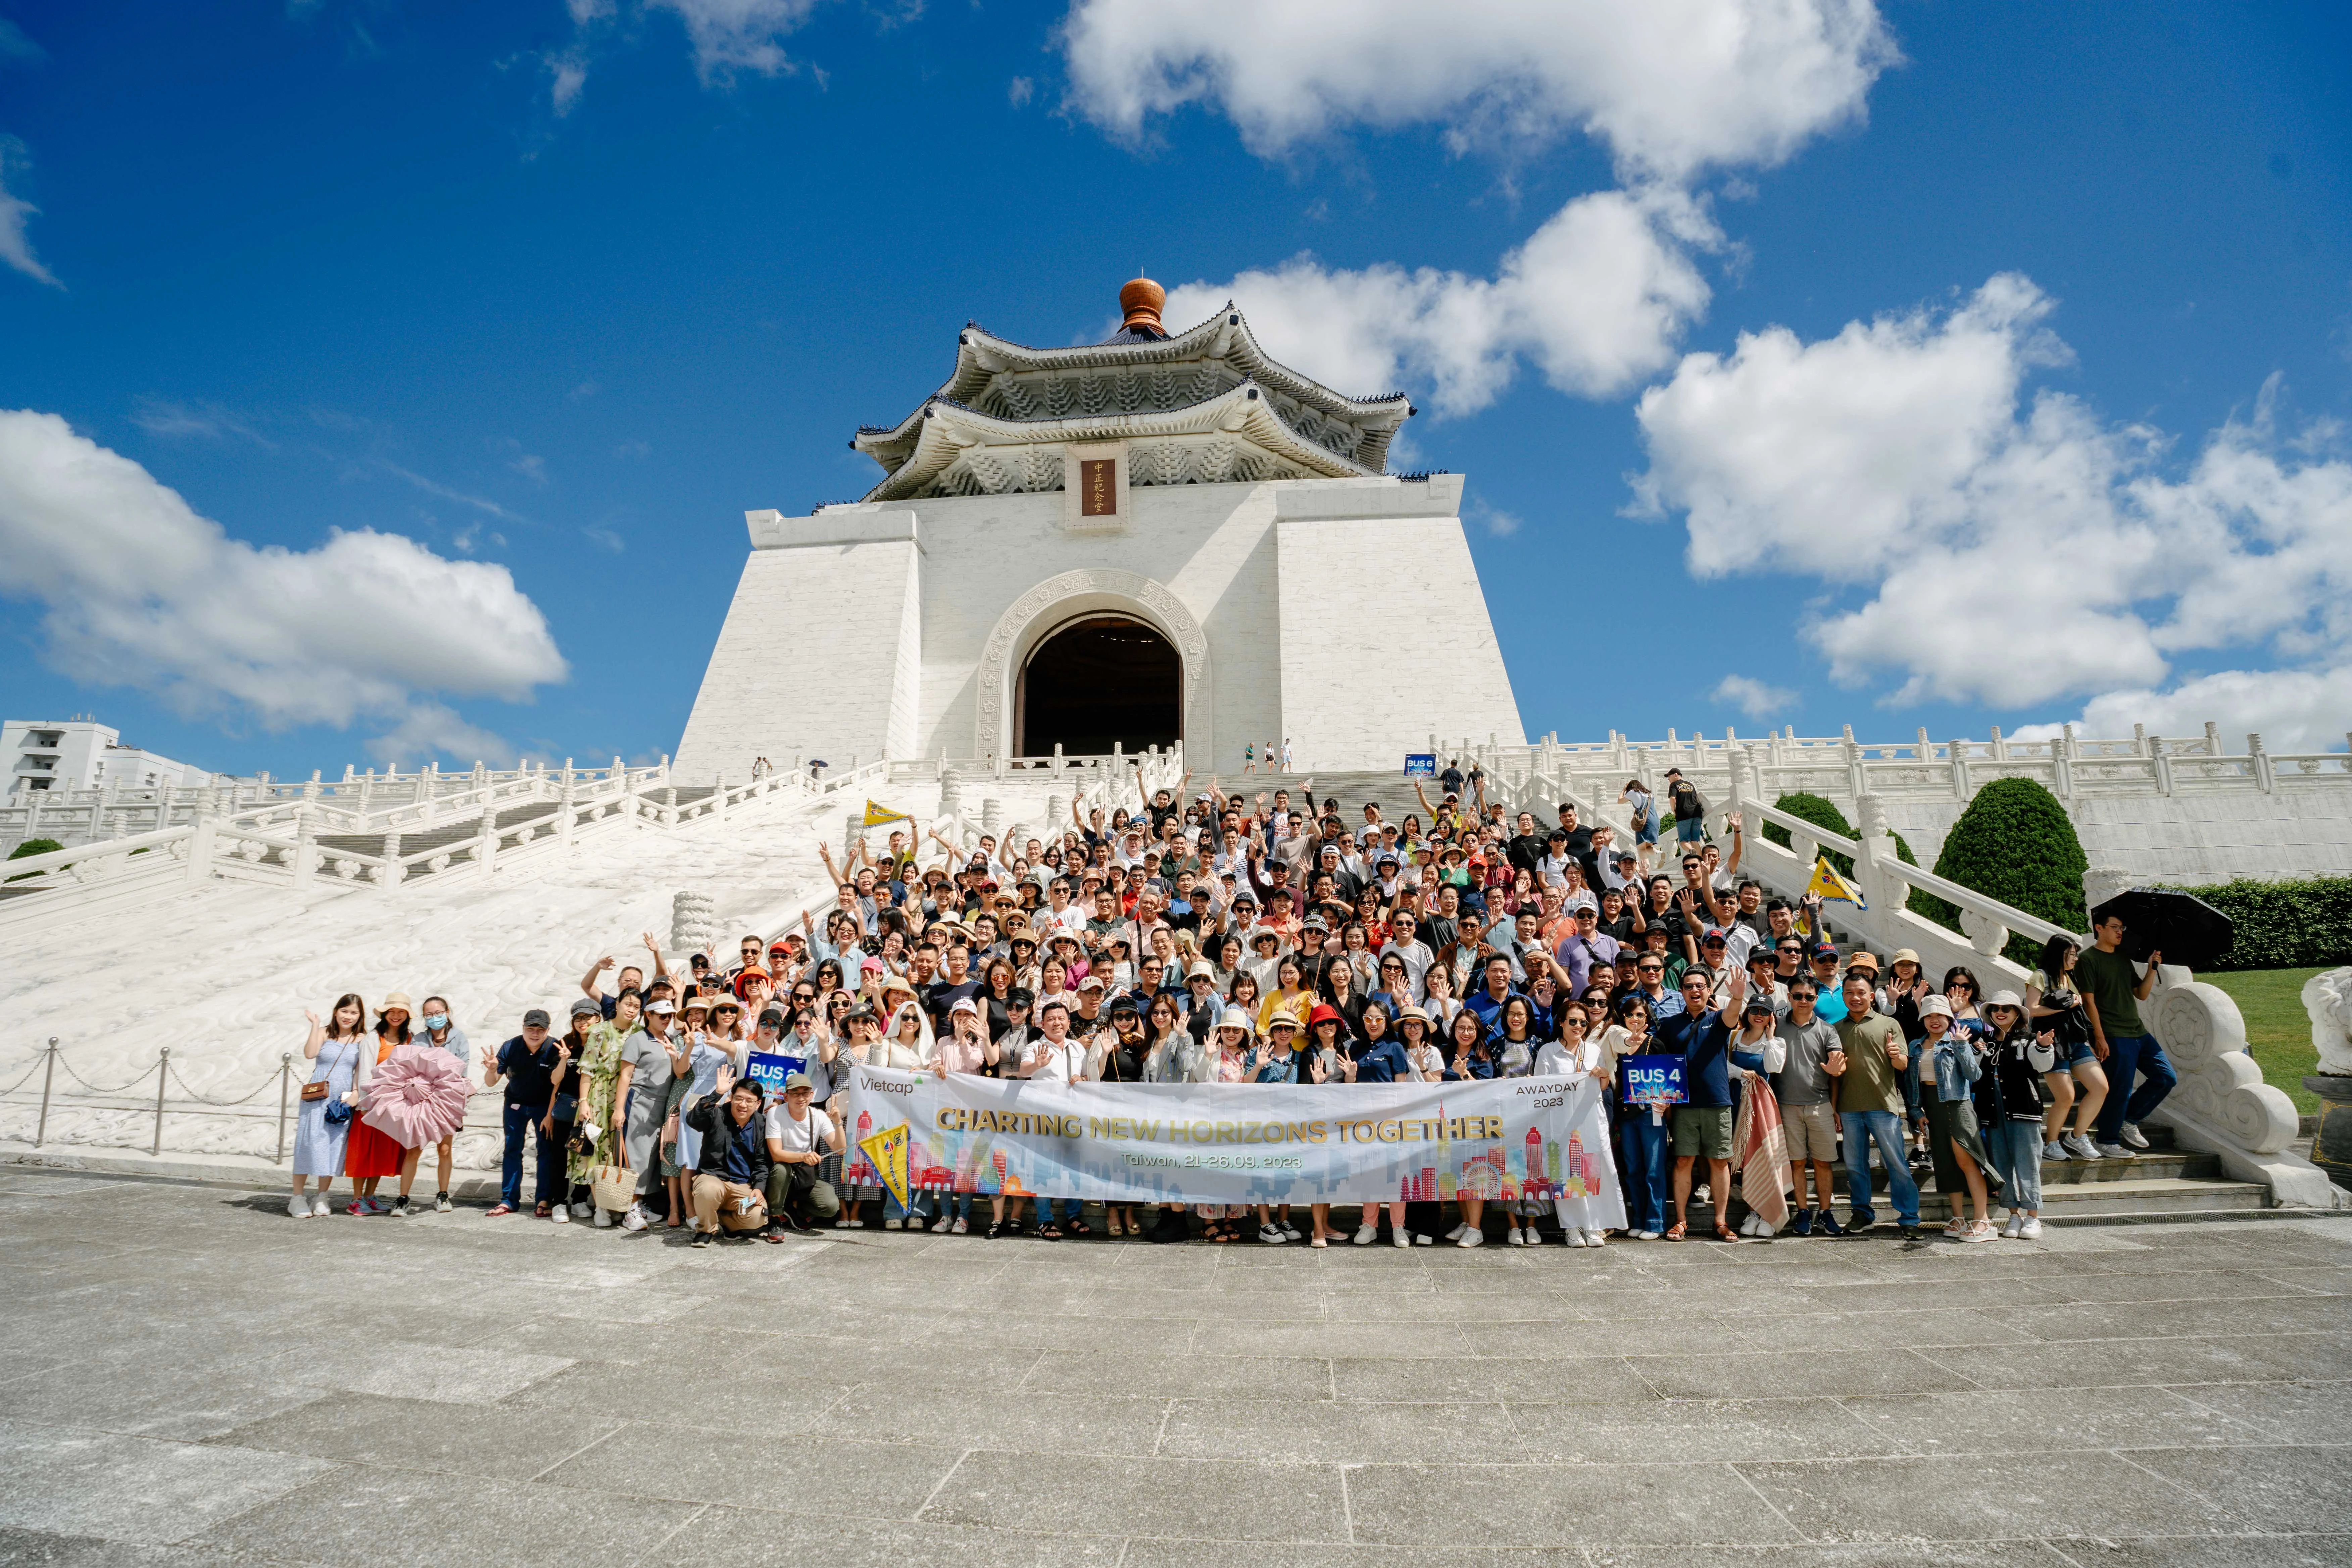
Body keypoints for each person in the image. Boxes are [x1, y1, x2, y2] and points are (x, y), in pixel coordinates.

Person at [1830, 968, 1921, 1240]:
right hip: (1849, 1108)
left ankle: (1909, 1218)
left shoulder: (1889, 1025)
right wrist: (1834, 1108)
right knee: (1856, 1166)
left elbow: (1903, 1065)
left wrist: (1895, 1055)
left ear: (1872, 996)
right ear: (1843, 996)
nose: (1855, 998)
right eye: (1849, 993)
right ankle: (1862, 1215)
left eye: (1861, 993)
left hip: (1883, 1107)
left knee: (1897, 1164)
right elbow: (1835, 1076)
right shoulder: (1836, 1029)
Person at [2077, 911, 2174, 1157]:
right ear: (2099, 928)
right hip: (2113, 1034)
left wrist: (2152, 969)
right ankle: (2106, 1140)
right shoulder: (2087, 959)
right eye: (2115, 927)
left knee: (2166, 1077)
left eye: (2122, 928)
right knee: (2120, 1088)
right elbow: (2089, 1002)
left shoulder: (2123, 957)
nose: (2120, 932)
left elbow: (2141, 994)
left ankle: (2129, 1119)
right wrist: (2099, 1037)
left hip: (2138, 1032)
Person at [1918, 994, 1999, 1242]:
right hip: (1932, 1108)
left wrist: (1963, 1045)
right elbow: (1914, 1083)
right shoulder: (1915, 1046)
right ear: (1923, 1019)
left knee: (1967, 1161)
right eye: (1929, 1015)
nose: (1935, 1020)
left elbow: (1974, 1075)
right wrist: (1915, 1111)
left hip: (1958, 1106)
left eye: (1940, 1015)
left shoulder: (1958, 1041)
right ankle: (1957, 1218)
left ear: (1949, 1018)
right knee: (1945, 1164)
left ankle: (1983, 1219)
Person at [1772, 977, 1844, 1238]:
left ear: (1816, 999)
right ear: (1789, 997)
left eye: (1809, 997)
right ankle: (1802, 1212)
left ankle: (1825, 1213)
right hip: (1787, 1107)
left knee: (1824, 1164)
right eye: (1798, 996)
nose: (1804, 1001)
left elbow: (1838, 1063)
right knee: (1797, 1163)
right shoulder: (1775, 1026)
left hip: (1820, 1106)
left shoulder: (1827, 1030)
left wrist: (1838, 1068)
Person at [2029, 934, 2109, 1161]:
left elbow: (2077, 1009)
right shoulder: (2040, 976)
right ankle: (2051, 1143)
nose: (2075, 958)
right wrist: (2063, 1007)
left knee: (2100, 1087)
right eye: (2071, 954)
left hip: (2076, 1039)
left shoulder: (2070, 977)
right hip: (2052, 1041)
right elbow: (2031, 1010)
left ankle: (2078, 1136)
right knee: (2066, 1096)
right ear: (2059, 954)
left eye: (2075, 954)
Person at [290, 994, 371, 1218]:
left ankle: (322, 1196)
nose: (348, 1017)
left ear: (360, 1016)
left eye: (354, 1013)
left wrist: (356, 1093)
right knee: (309, 1142)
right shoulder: (325, 1032)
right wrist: (315, 1025)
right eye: (345, 1011)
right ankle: (297, 1198)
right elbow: (310, 1054)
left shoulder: (362, 1038)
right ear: (336, 1012)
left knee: (333, 1145)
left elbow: (359, 1070)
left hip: (341, 1098)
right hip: (318, 1096)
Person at [483, 1008, 566, 1219]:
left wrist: (549, 1115)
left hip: (544, 1106)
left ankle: (543, 1200)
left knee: (546, 1151)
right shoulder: (511, 1047)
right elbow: (492, 1082)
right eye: (531, 1028)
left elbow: (557, 1084)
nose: (535, 1033)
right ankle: (508, 1200)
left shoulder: (555, 1048)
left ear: (548, 1030)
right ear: (523, 1028)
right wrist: (492, 1069)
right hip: (515, 1104)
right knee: (512, 1149)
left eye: (541, 1029)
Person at [1983, 991, 2052, 1239]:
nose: (2000, 1012)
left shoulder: (2030, 1040)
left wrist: (2044, 1047)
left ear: (2017, 1013)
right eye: (1995, 1008)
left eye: (2007, 1008)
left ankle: (2033, 1217)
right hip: (1992, 1111)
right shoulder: (1985, 1040)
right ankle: (2013, 1215)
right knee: (2002, 1164)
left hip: (2024, 1110)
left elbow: (2043, 1065)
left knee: (2027, 1163)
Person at [393, 995, 470, 1215]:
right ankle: (403, 1197)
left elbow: (462, 1068)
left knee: (445, 1149)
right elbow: (409, 1067)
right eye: (429, 1015)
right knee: (413, 1149)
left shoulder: (459, 1037)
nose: (434, 1018)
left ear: (447, 1013)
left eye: (438, 1013)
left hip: (447, 1101)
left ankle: (443, 1194)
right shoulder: (418, 1039)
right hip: (420, 1100)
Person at [682, 1064, 771, 1247]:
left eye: (749, 1100)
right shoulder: (717, 1113)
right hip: (714, 1177)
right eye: (738, 1098)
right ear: (732, 1097)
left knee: (758, 1217)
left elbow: (762, 1162)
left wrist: (759, 1188)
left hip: (742, 1184)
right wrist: (717, 1093)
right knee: (708, 1190)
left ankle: (728, 1223)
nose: (743, 1105)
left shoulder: (761, 1123)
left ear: (758, 1104)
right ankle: (705, 1230)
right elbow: (693, 1120)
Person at [612, 996, 681, 1232]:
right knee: (635, 1156)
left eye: (670, 1016)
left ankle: (639, 1205)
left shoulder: (669, 1040)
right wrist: (619, 1109)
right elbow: (625, 1076)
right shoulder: (637, 1040)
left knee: (651, 1158)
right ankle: (629, 1210)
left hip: (661, 1105)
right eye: (662, 1015)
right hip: (640, 1102)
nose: (666, 1020)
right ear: (649, 1015)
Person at [342, 993, 413, 1215]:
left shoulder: (408, 1038)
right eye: (392, 1011)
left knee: (380, 1153)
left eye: (401, 1012)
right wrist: (370, 1101)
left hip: (394, 1105)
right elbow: (365, 1073)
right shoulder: (374, 1039)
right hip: (371, 1105)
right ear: (384, 1013)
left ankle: (371, 1196)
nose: (396, 1016)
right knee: (364, 1152)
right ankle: (356, 1199)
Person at [762, 1071, 842, 1237]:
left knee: (831, 1206)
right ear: (786, 1096)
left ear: (812, 1095)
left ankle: (794, 1210)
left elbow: (841, 1150)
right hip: (781, 1171)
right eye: (795, 1093)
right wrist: (804, 1156)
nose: (801, 1098)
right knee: (781, 1170)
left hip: (804, 1174)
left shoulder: (818, 1115)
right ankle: (775, 1219)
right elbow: (776, 1154)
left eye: (805, 1093)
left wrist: (838, 1122)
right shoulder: (776, 1113)